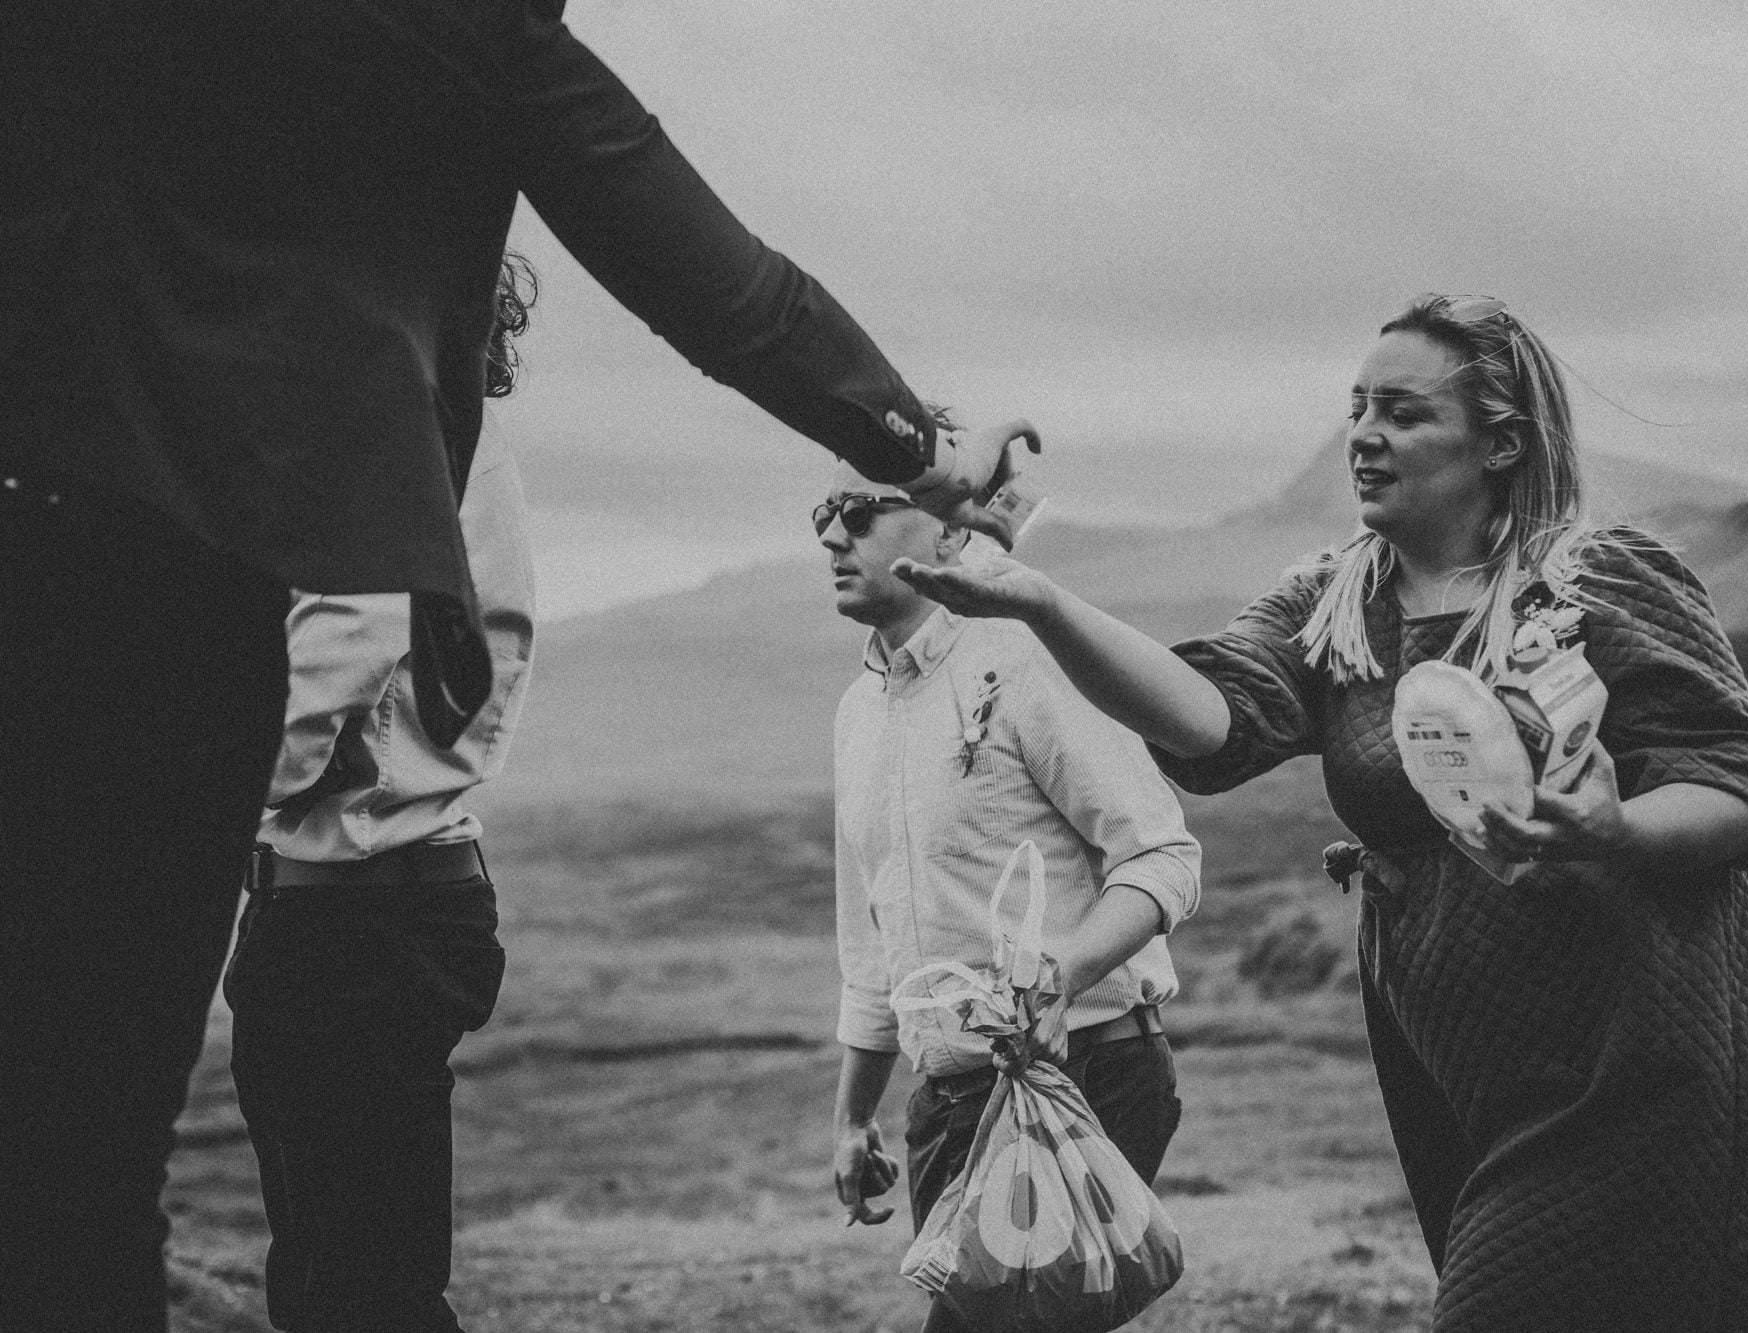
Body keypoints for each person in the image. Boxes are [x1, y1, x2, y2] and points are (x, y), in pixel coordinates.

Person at [0, 9, 1031, 1330]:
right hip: (161, 618)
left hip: (122, 615)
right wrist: (924, 450)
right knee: (104, 1174)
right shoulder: (449, 44)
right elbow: (720, 281)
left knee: (125, 1190)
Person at [896, 295, 1748, 1332]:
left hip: (1633, 1050)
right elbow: (1208, 724)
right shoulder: (1336, 601)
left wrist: (1613, 830)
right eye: (1356, 407)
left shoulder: (1596, 576)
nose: (1362, 433)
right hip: (1461, 1062)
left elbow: (1738, 784)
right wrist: (1040, 603)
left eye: (1401, 412)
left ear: (1499, 441)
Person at [221, 257, 537, 1333]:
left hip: (353, 913)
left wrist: (198, 805)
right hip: (375, 902)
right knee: (353, 1275)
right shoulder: (452, 437)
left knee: (350, 1290)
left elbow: (347, 636)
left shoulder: (392, 425)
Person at [817, 457, 1201, 1333]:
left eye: (862, 510)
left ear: (953, 529)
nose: (833, 535)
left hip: (1085, 1072)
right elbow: (871, 941)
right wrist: (851, 1118)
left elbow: (1163, 855)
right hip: (947, 1101)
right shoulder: (857, 711)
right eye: (823, 514)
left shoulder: (1033, 657)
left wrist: (1066, 967)